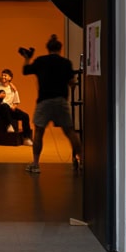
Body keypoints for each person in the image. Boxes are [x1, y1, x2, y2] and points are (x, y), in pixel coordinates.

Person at [21, 34, 82, 173]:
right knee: (70, 132)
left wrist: (27, 58)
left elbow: (25, 71)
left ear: (47, 48)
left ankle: (35, 164)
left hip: (44, 101)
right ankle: (82, 161)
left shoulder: (40, 61)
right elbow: (72, 83)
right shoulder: (66, 63)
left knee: (39, 132)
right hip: (61, 101)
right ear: (60, 49)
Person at [0, 69, 34, 146]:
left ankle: (26, 138)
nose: (3, 77)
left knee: (25, 116)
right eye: (2, 75)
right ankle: (9, 125)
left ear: (10, 78)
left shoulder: (13, 89)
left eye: (5, 75)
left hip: (8, 109)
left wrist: (14, 106)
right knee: (5, 106)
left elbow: (16, 101)